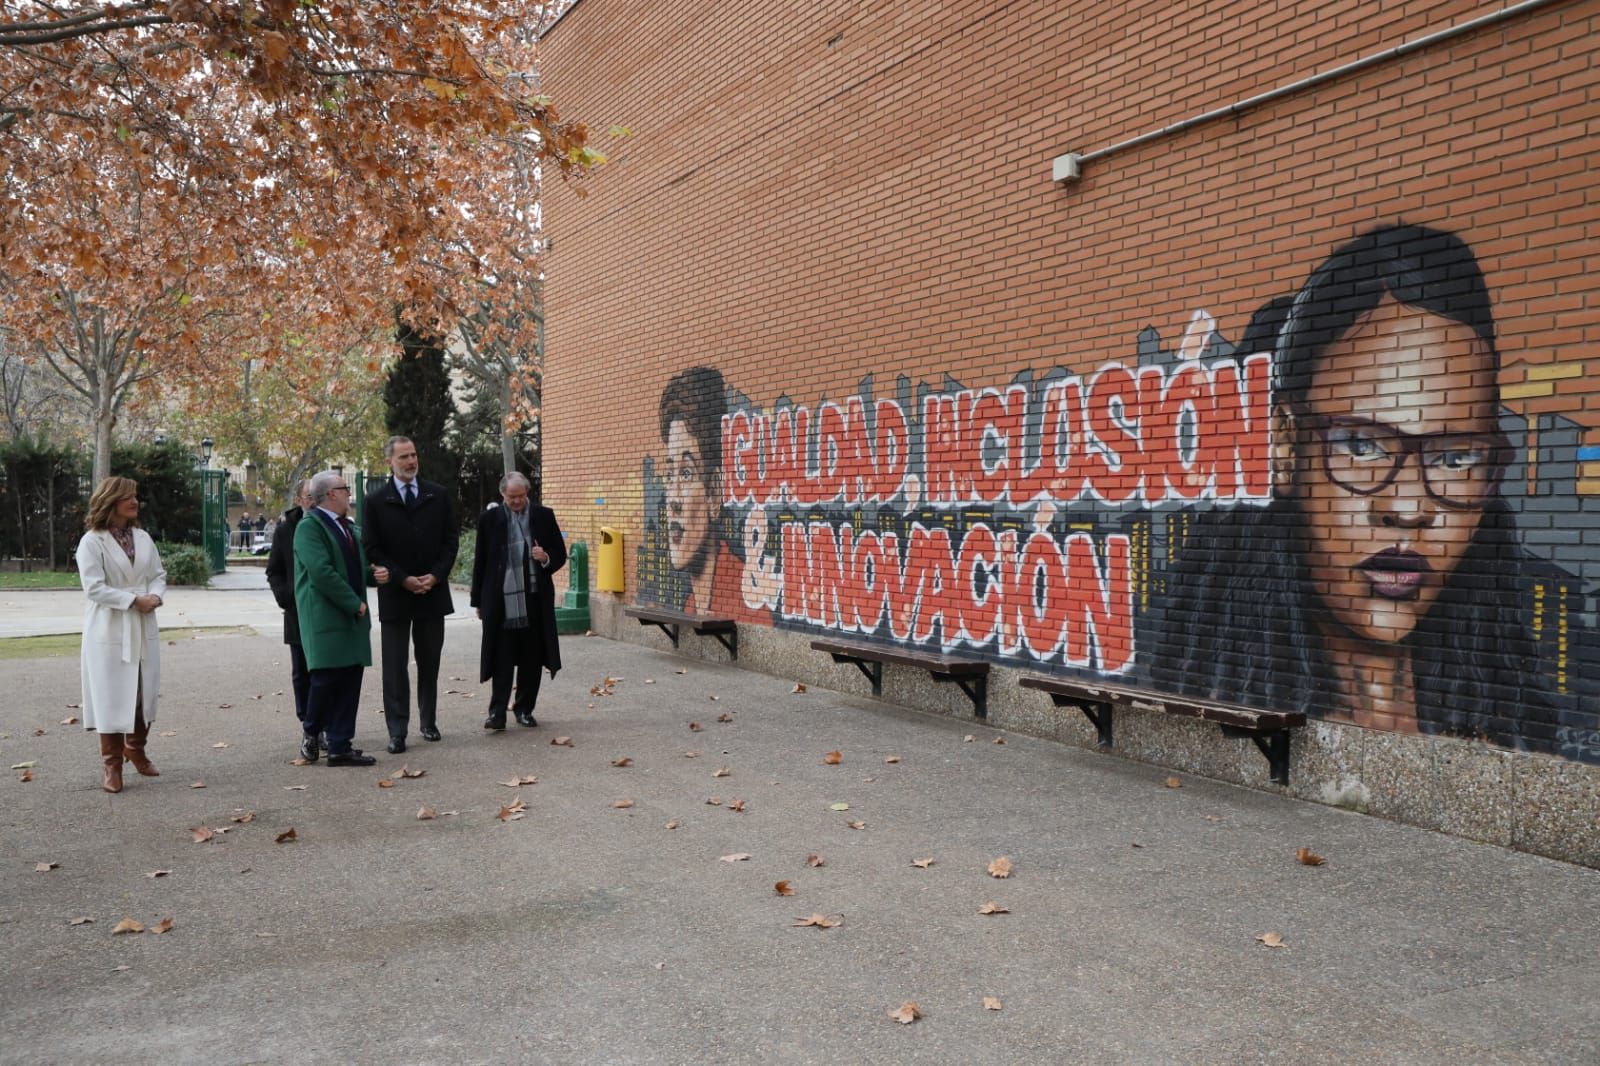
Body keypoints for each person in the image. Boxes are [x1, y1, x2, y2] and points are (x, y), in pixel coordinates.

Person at [1152, 223, 1591, 757]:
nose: (1407, 507)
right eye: (1362, 444)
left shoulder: (1503, 715)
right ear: (1287, 446)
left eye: (1456, 457)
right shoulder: (1230, 676)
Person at [362, 435, 458, 754]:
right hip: (396, 595)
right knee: (395, 666)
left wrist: (436, 575)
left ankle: (428, 721)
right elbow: (372, 547)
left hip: (432, 592)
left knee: (429, 662)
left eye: (414, 455)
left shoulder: (438, 494)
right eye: (403, 457)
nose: (410, 462)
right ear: (390, 461)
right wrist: (403, 579)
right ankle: (397, 730)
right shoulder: (375, 501)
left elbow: (450, 541)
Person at [75, 477, 167, 793]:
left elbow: (157, 575)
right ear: (110, 500)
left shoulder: (142, 537)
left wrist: (155, 596)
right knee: (111, 695)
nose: (134, 501)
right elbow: (94, 587)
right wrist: (132, 600)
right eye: (128, 496)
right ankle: (112, 765)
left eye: (136, 496)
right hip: (109, 625)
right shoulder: (92, 541)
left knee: (145, 691)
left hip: (143, 623)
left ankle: (136, 748)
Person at [294, 470, 389, 767]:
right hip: (326, 615)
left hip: (351, 615)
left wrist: (374, 575)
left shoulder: (347, 527)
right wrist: (354, 604)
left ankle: (340, 745)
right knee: (326, 678)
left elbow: (352, 567)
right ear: (331, 494)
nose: (350, 493)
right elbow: (322, 572)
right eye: (345, 488)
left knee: (350, 679)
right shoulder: (309, 527)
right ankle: (312, 732)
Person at [658, 367, 768, 620]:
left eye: (686, 473)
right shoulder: (691, 604)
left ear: (714, 493)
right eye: (669, 474)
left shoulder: (750, 605)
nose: (672, 499)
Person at [470, 472, 566, 730]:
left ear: (527, 493)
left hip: (534, 599)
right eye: (512, 497)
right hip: (501, 602)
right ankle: (497, 713)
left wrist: (544, 556)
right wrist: (477, 600)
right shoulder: (490, 519)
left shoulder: (543, 516)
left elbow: (560, 553)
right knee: (501, 659)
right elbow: (481, 562)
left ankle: (524, 709)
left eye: (521, 496)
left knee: (531, 659)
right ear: (503, 495)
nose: (517, 501)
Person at [265, 480, 314, 754]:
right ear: (299, 499)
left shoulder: (339, 525)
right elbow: (274, 571)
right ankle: (309, 726)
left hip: (328, 614)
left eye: (317, 496)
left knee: (328, 673)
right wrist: (288, 597)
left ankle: (329, 727)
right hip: (297, 612)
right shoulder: (286, 530)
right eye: (309, 496)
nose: (313, 501)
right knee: (302, 672)